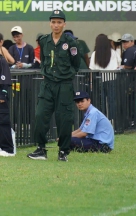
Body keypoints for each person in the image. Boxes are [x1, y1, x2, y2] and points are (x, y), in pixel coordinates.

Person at [28, 10, 80, 162]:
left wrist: (67, 75)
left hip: (64, 85)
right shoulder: (44, 40)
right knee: (40, 115)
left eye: (59, 22)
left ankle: (63, 151)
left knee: (64, 118)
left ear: (64, 24)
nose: (56, 25)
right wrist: (46, 73)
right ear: (50, 23)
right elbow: (43, 61)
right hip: (48, 84)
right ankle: (41, 149)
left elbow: (76, 63)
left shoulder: (70, 42)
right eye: (53, 22)